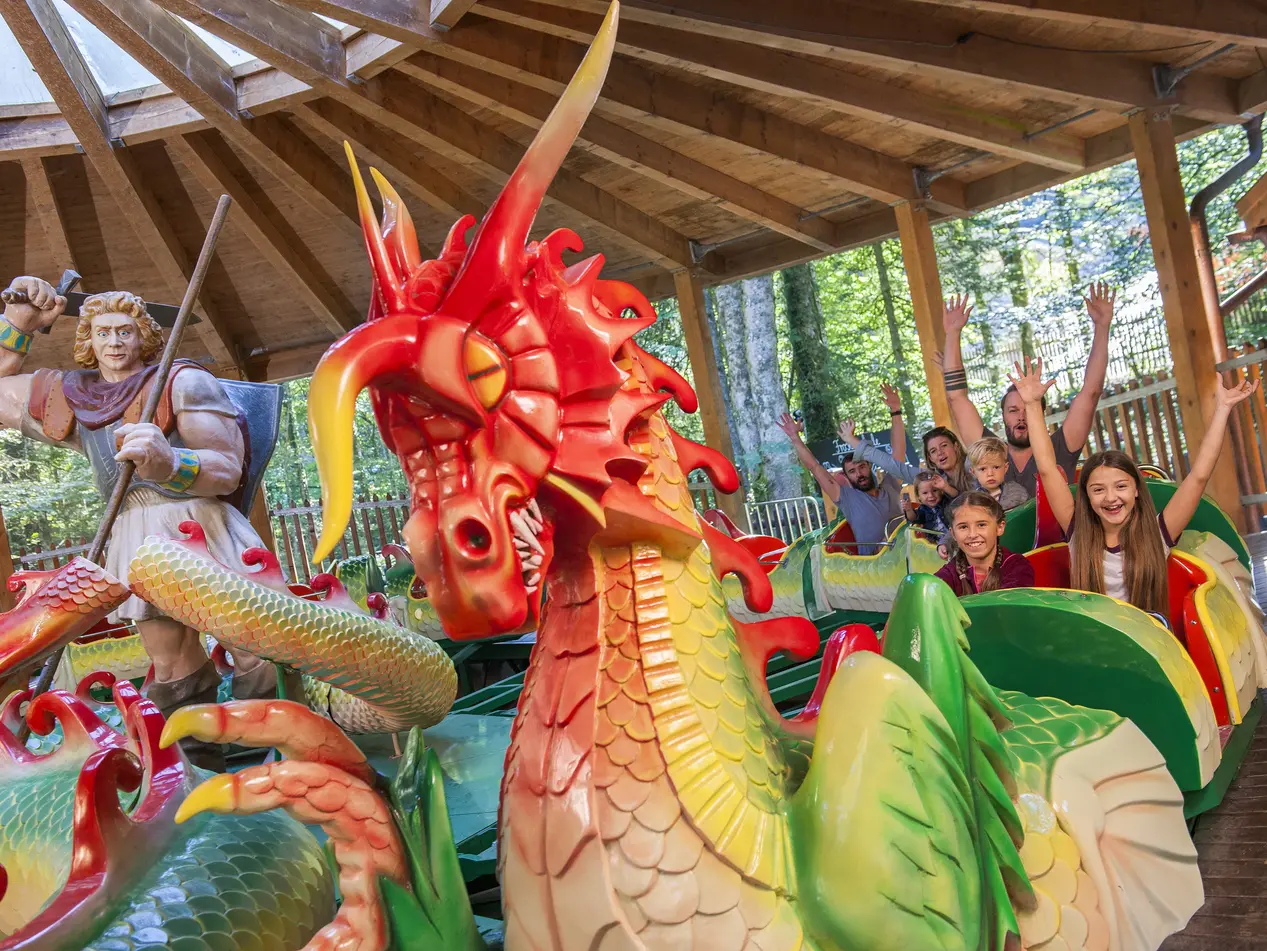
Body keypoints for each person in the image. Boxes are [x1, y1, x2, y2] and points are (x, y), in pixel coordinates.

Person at [0, 275, 277, 770]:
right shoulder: (71, 396)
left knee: (252, 641)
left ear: (142, 336)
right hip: (134, 532)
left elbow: (225, 467)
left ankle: (282, 746)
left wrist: (169, 461)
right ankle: (194, 769)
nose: (113, 342)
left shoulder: (181, 380)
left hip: (197, 524)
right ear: (87, 339)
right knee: (171, 659)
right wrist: (19, 323)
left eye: (123, 331)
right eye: (102, 332)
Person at [1009, 355, 1257, 616]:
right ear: (1087, 497)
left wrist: (1223, 409)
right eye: (1098, 490)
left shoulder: (1158, 533)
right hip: (1099, 636)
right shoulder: (1078, 532)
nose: (1110, 498)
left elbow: (1199, 476)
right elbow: (1047, 469)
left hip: (1150, 638)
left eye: (1120, 486)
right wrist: (1032, 404)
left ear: (1137, 490)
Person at [941, 283, 1117, 495]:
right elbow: (957, 398)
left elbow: (1091, 392)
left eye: (1027, 408)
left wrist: (1102, 327)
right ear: (1004, 416)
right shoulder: (988, 451)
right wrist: (952, 334)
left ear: (1040, 413)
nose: (1021, 417)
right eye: (1013, 410)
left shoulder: (1061, 446)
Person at [777, 410, 904, 555]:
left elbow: (899, 450)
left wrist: (896, 411)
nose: (859, 474)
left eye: (861, 467)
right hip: (876, 564)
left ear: (869, 465)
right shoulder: (847, 497)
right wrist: (794, 437)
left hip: (907, 552)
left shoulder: (890, 485)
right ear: (847, 476)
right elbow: (814, 467)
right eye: (852, 471)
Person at [934, 492, 1035, 596]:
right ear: (953, 534)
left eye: (981, 525)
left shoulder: (1017, 567)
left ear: (1000, 527)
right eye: (963, 527)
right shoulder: (948, 574)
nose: (972, 535)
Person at [967, 437, 1029, 511]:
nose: (990, 474)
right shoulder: (972, 501)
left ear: (1005, 468)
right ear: (973, 472)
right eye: (983, 469)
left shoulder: (1018, 493)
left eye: (996, 467)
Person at [903, 470, 952, 538]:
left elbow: (956, 496)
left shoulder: (946, 502)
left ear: (941, 491)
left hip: (952, 539)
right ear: (918, 496)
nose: (931, 495)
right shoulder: (922, 509)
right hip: (935, 543)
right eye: (925, 493)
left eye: (934, 490)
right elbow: (913, 519)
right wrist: (908, 510)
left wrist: (945, 487)